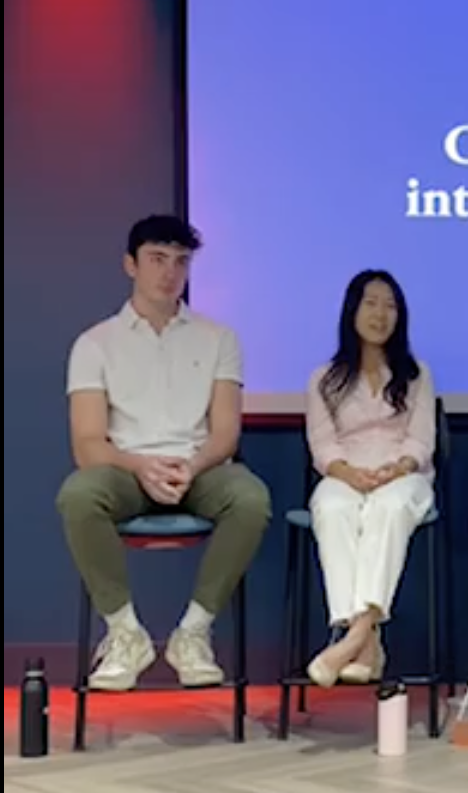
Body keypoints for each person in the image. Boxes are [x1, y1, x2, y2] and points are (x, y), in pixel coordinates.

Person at [55, 215, 271, 692]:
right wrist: (141, 466)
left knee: (250, 498)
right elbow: (89, 444)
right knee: (78, 494)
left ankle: (193, 632)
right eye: (157, 259)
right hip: (126, 470)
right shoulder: (94, 344)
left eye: (181, 262)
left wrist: (191, 466)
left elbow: (225, 433)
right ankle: (125, 633)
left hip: (200, 466)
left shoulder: (219, 338)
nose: (170, 273)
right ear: (130, 265)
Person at [303, 269, 436, 687]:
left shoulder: (416, 375)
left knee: (390, 508)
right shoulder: (324, 378)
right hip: (345, 473)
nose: (381, 314)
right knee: (331, 508)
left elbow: (421, 440)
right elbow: (322, 445)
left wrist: (397, 469)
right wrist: (349, 474)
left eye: (390, 305)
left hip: (403, 475)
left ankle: (352, 638)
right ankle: (368, 642)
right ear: (352, 310)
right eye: (371, 303)